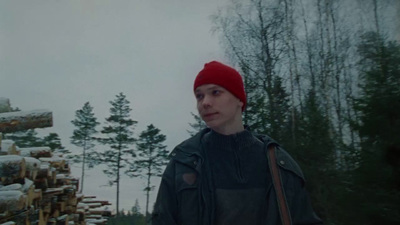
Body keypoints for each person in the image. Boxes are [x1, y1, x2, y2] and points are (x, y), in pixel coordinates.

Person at [152, 61, 322, 225]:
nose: (205, 102)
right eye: (199, 96)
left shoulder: (279, 164)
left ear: (239, 99)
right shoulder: (183, 163)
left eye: (215, 92)